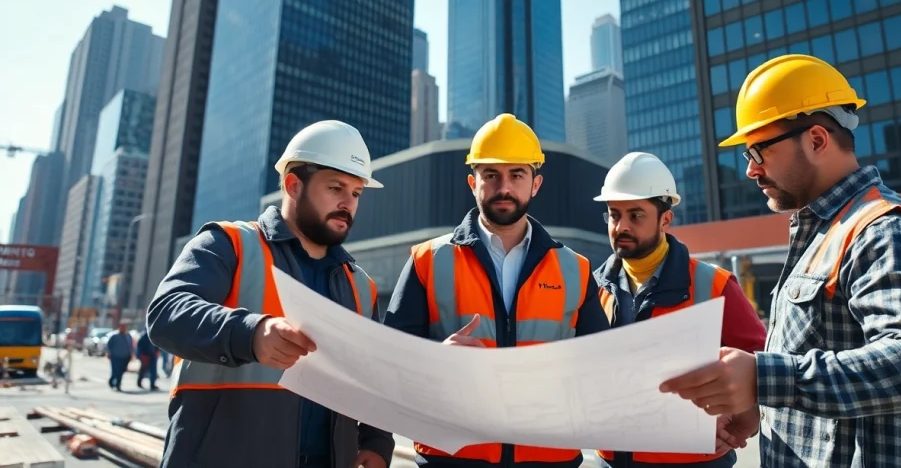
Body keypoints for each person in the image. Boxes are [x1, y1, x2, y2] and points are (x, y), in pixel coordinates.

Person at [658, 54, 901, 467]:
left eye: (758, 152)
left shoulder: (887, 231)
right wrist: (758, 403)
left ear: (817, 140)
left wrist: (762, 378)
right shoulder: (825, 235)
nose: (751, 170)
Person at [146, 120, 395, 468]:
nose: (347, 203)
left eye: (356, 193)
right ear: (294, 185)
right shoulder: (228, 244)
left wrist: (376, 441)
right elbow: (165, 314)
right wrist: (250, 334)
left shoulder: (360, 286)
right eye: (335, 188)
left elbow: (370, 373)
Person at [384, 113, 610, 468]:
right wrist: (435, 361)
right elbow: (388, 362)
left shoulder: (576, 270)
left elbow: (602, 368)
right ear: (472, 182)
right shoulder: (427, 261)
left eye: (517, 174)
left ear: (536, 184)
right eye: (491, 175)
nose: (504, 187)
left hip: (549, 459)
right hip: (453, 460)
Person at [591, 152, 766, 468]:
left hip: (693, 461)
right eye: (614, 215)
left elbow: (761, 369)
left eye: (636, 215)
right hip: (612, 459)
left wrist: (743, 416)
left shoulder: (715, 285)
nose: (621, 226)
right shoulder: (593, 289)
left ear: (665, 219)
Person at [105, 321, 133, 392]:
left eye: (125, 327)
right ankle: (115, 383)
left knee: (121, 371)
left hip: (125, 357)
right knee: (116, 371)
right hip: (115, 357)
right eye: (122, 327)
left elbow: (131, 346)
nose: (123, 328)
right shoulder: (114, 336)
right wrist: (108, 353)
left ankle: (115, 382)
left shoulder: (128, 336)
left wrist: (131, 354)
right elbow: (109, 345)